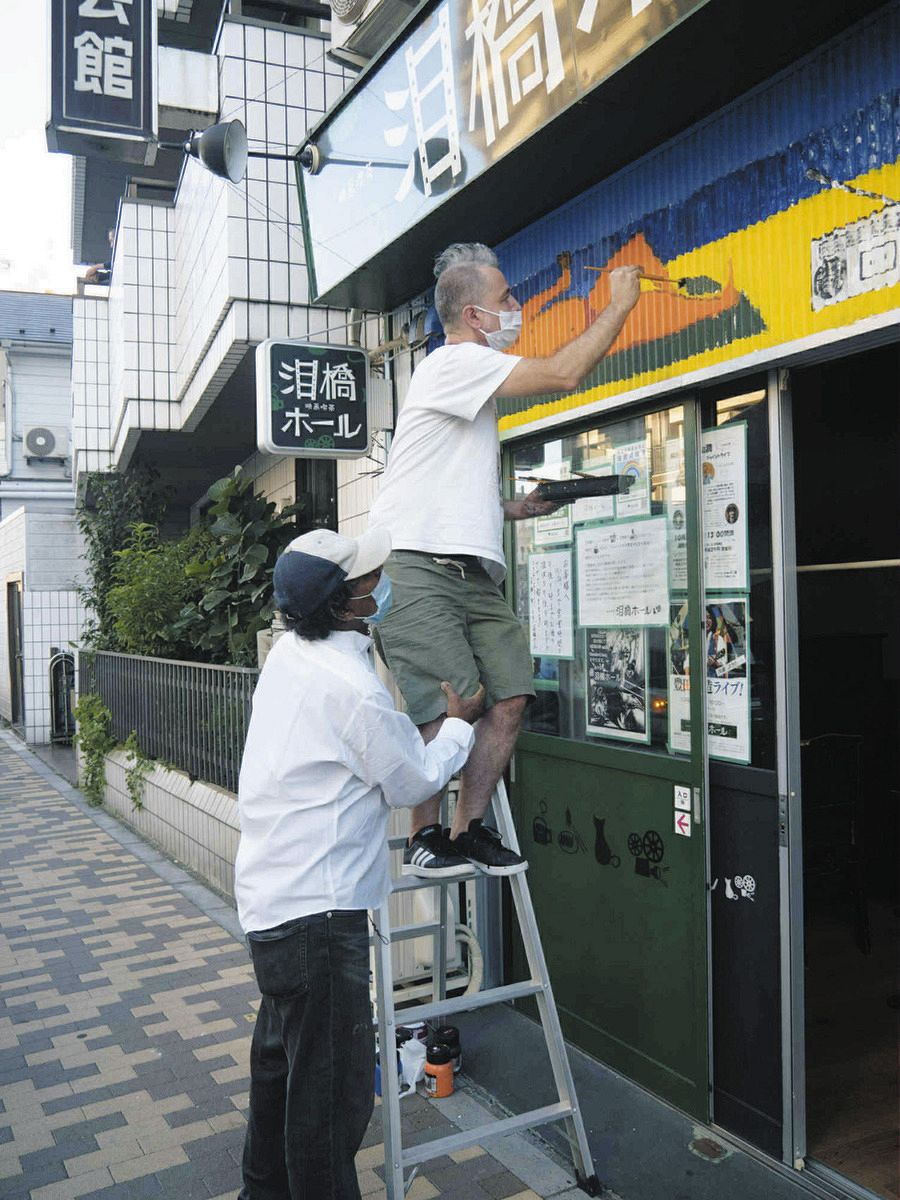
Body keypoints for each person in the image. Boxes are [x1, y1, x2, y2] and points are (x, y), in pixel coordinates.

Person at [368, 242, 642, 878]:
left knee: (512, 694)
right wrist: (619, 305)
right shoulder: (452, 363)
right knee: (453, 700)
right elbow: (564, 374)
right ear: (472, 315)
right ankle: (426, 836)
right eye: (505, 300)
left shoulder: (470, 382)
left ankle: (470, 831)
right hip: (415, 564)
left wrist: (510, 510)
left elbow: (447, 482)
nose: (515, 307)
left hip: (469, 571)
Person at [234, 526, 483, 1200]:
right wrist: (458, 726)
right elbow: (411, 781)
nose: (383, 586)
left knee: (281, 1079)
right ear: (346, 603)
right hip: (321, 918)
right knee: (330, 1102)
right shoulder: (352, 688)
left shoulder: (289, 657)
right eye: (373, 579)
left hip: (273, 905)